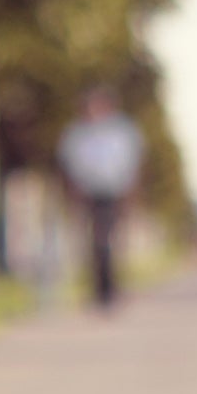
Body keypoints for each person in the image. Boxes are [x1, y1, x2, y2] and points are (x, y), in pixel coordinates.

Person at [57, 87, 144, 307]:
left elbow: (132, 163)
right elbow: (69, 164)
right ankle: (98, 288)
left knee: (112, 240)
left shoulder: (122, 131)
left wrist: (131, 191)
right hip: (88, 193)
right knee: (93, 241)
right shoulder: (77, 133)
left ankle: (112, 286)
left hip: (115, 191)